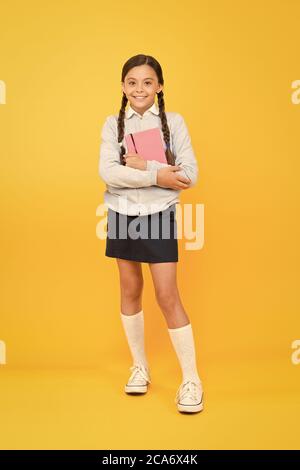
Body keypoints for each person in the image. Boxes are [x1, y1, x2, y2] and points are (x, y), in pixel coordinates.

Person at [98, 54, 203, 413]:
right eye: (132, 82)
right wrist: (159, 176)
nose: (139, 89)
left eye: (147, 82)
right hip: (121, 213)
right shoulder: (113, 124)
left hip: (159, 214)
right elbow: (109, 172)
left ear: (159, 86)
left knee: (167, 295)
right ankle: (140, 367)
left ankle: (191, 379)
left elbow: (188, 174)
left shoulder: (174, 122)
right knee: (129, 290)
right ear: (123, 86)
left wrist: (148, 166)